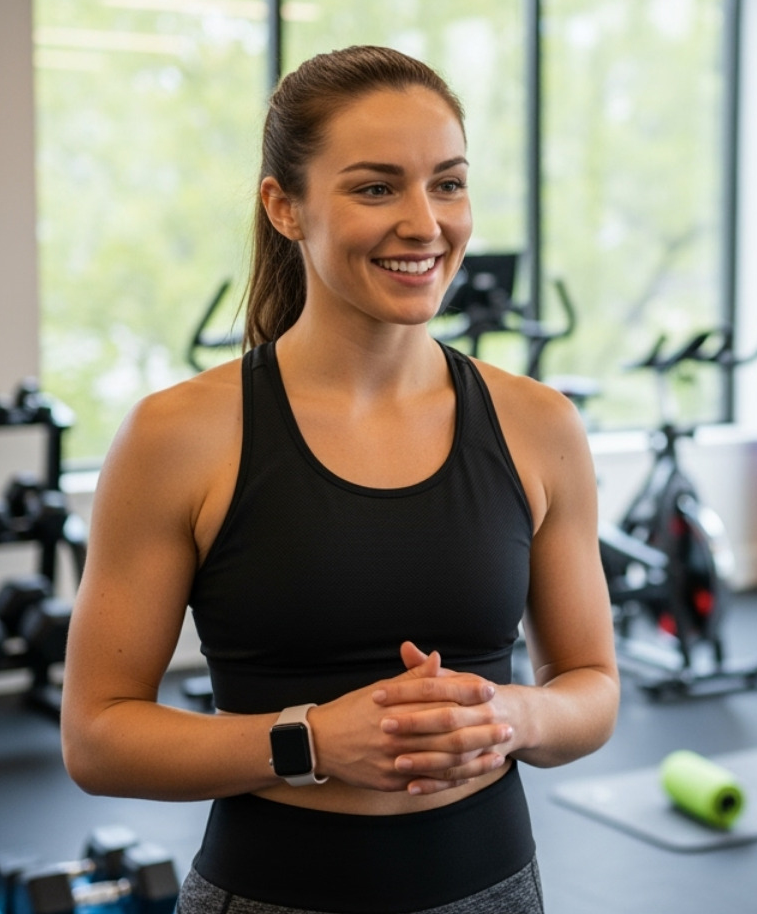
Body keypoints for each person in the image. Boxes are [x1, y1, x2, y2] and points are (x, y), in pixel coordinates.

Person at [60, 45, 619, 914]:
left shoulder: (539, 424)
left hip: (497, 890)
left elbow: (592, 685)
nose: (425, 223)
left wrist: (514, 717)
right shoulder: (177, 436)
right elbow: (98, 738)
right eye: (376, 188)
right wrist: (311, 740)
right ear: (284, 207)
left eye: (448, 183)